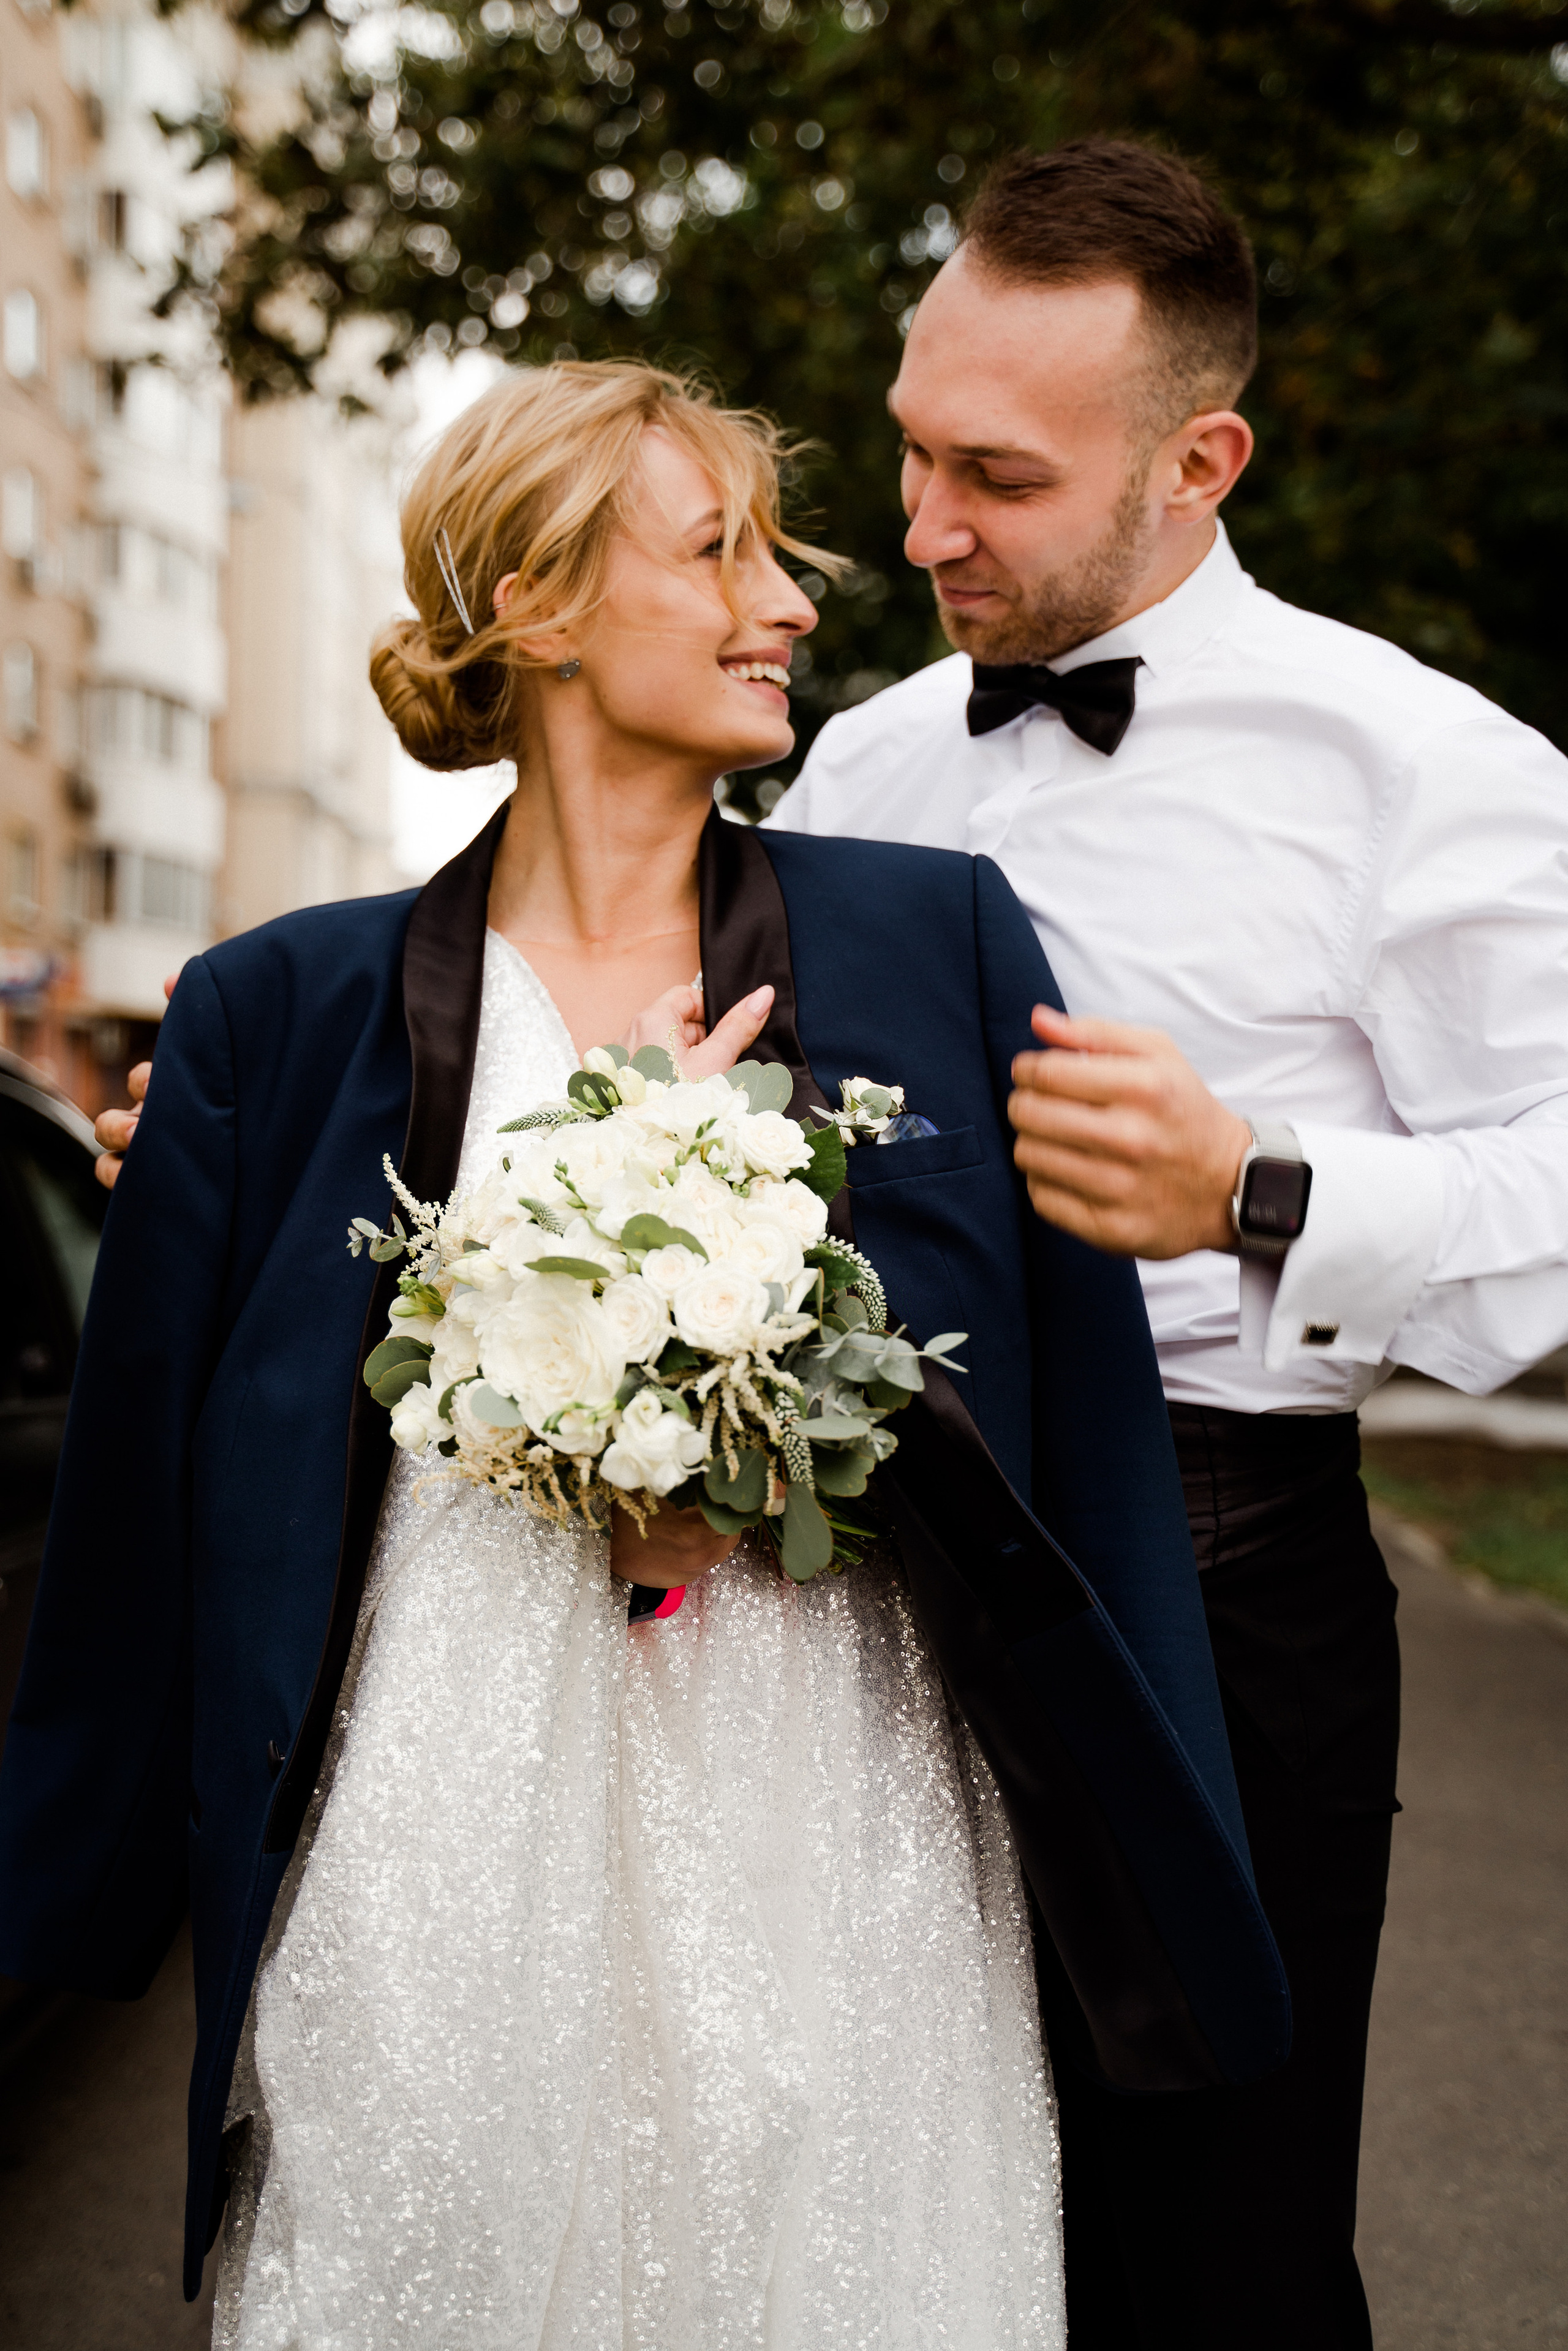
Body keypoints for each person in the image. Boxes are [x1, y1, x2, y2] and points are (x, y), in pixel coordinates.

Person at [0, 360, 1287, 2344]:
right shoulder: (270, 1015)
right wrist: (64, 1885)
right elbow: (139, 1504)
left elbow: (1084, 1440)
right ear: (533, 602)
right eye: (722, 553)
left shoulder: (944, 940)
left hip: (844, 1831)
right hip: (432, 1837)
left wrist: (1169, 1879)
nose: (791, 603)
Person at [772, 137, 1568, 2350]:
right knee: (912, 2232)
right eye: (914, 447)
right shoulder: (859, 764)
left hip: (1224, 1604)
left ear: (1199, 460)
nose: (922, 528)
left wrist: (1259, 1188)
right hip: (860, 1594)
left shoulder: (1431, 768)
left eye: (997, 478)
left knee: (1213, 2260)